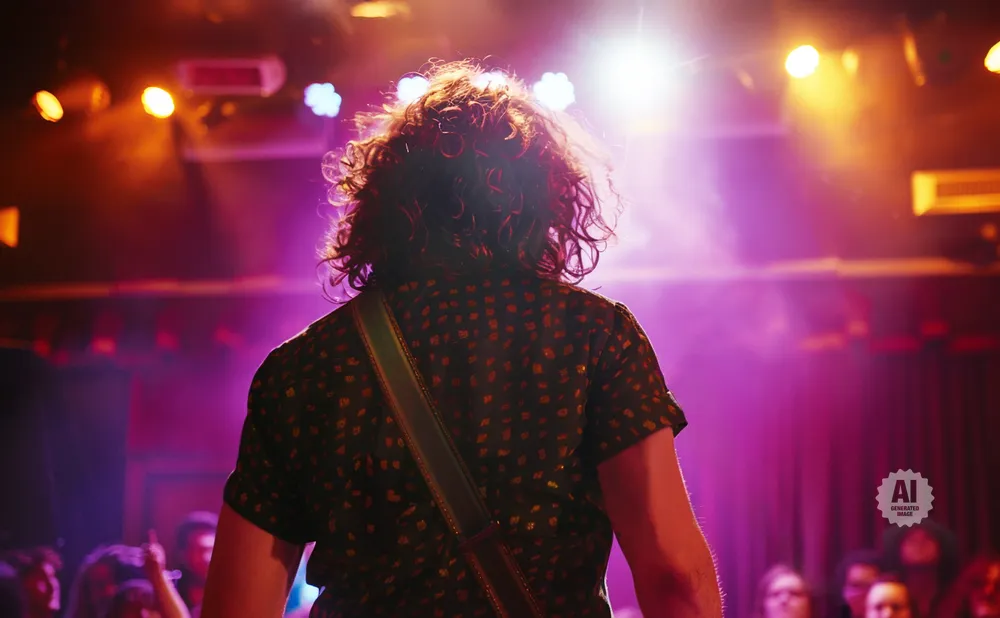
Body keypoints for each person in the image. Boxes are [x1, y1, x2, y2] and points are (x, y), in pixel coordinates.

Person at [202, 60, 722, 618]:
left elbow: (236, 607)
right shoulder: (594, 336)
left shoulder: (304, 368)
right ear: (543, 200)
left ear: (382, 205)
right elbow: (674, 578)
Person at [173, 512, 217, 610]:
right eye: (200, 550)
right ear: (184, 554)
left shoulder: (233, 592)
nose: (207, 558)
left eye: (212, 550)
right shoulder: (171, 591)